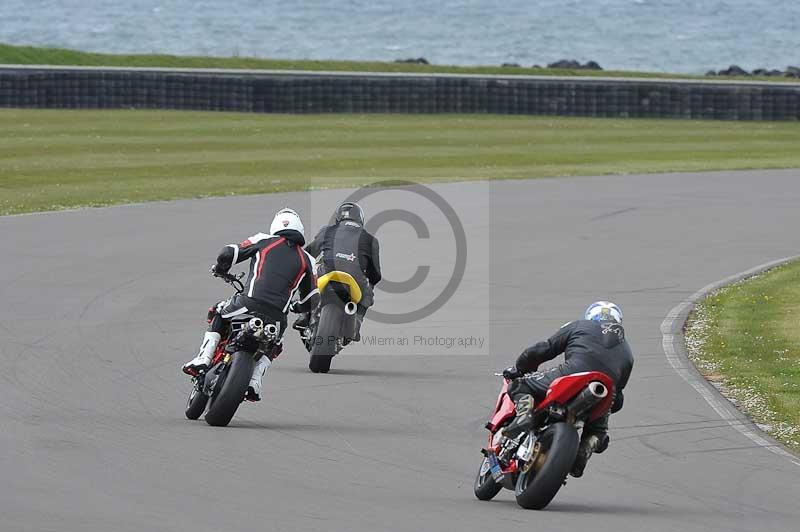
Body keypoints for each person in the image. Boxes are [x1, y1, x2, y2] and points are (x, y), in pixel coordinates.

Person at [182, 208, 319, 401]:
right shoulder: (309, 260)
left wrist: (222, 268)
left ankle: (203, 358)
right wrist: (298, 307)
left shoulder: (263, 240)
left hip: (248, 303)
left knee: (218, 312)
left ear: (275, 226)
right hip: (278, 317)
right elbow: (313, 299)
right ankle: (254, 381)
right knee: (274, 345)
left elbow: (227, 252)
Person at [501, 301, 634, 477]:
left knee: (519, 384)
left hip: (572, 372)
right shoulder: (628, 352)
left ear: (590, 316)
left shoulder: (580, 325)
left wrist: (520, 369)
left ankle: (524, 415)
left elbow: (544, 349)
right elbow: (618, 400)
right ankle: (585, 448)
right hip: (605, 391)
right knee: (598, 431)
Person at [295, 201, 381, 341]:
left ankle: (304, 315)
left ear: (338, 217)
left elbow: (308, 254)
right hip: (355, 281)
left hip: (326, 274)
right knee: (368, 293)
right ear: (360, 219)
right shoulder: (372, 240)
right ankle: (356, 323)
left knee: (306, 272)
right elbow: (376, 275)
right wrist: (368, 281)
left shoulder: (326, 231)